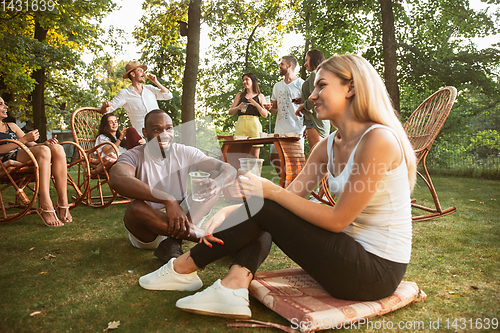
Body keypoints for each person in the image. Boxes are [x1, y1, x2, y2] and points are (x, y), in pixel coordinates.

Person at [136, 54, 417, 320]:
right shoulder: (328, 146)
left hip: (375, 273)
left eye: (321, 86)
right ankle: (232, 286)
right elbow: (290, 199)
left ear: (351, 88)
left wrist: (269, 191)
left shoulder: (378, 140)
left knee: (269, 204)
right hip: (347, 255)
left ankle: (183, 268)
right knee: (267, 209)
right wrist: (230, 211)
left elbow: (337, 220)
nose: (312, 96)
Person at [109, 109, 237, 262]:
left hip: (183, 218)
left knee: (210, 191)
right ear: (145, 132)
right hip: (150, 229)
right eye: (157, 130)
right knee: (135, 209)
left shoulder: (184, 152)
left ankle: (172, 243)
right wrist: (167, 200)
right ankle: (209, 239)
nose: (165, 134)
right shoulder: (133, 155)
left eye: (169, 129)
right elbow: (117, 177)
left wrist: (217, 183)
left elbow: (228, 169)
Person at [0, 97, 74, 226]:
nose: (6, 106)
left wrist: (44, 143)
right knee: (44, 151)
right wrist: (23, 140)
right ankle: (45, 202)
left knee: (57, 148)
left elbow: (32, 145)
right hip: (4, 160)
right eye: (1, 104)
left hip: (22, 156)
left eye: (5, 103)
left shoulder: (11, 126)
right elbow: (19, 144)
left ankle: (63, 202)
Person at [100, 61, 173, 141]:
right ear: (133, 74)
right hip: (142, 136)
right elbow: (106, 110)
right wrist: (105, 107)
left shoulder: (149, 89)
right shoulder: (124, 93)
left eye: (143, 71)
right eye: (140, 71)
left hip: (160, 132)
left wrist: (156, 82)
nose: (144, 73)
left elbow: (168, 96)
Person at [269, 56, 305, 174]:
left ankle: (295, 187)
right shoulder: (277, 86)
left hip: (296, 129)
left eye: (282, 64)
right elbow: (274, 109)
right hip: (280, 130)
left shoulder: (301, 84)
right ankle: (284, 182)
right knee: (274, 158)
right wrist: (270, 108)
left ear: (290, 65)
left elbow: (307, 106)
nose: (279, 66)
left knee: (296, 161)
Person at [294, 49, 331, 150]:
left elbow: (316, 98)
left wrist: (302, 106)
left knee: (318, 154)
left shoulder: (314, 74)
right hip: (319, 121)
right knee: (322, 153)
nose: (305, 64)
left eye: (307, 60)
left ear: (314, 60)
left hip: (315, 122)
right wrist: (302, 99)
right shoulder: (321, 74)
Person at [227, 72, 268, 158]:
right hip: (241, 125)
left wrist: (256, 104)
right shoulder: (240, 95)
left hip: (254, 126)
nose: (244, 82)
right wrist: (238, 107)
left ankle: (255, 171)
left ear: (253, 81)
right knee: (240, 155)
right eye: (243, 80)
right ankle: (240, 172)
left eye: (247, 79)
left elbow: (265, 114)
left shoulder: (260, 96)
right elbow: (230, 112)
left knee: (255, 157)